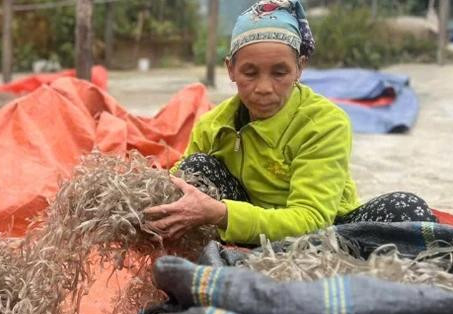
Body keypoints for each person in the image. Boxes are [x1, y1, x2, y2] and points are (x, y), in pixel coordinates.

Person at [144, 0, 437, 245]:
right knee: (196, 170)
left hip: (325, 235)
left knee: (406, 210)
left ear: (300, 67)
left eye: (279, 72)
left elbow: (311, 220)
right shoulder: (214, 125)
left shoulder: (324, 123)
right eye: (250, 72)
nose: (263, 88)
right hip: (247, 226)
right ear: (230, 70)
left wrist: (222, 215)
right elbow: (180, 187)